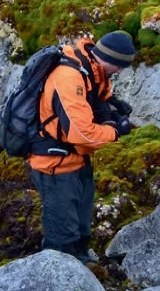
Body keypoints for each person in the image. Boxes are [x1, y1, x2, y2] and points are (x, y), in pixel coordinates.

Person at [27, 30, 136, 264]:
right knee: (62, 237)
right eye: (120, 67)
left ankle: (82, 266)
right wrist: (116, 131)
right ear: (111, 60)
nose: (120, 72)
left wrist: (112, 109)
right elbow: (81, 133)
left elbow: (97, 99)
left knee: (81, 230)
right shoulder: (69, 77)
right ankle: (55, 275)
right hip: (54, 165)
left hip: (77, 160)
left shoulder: (91, 70)